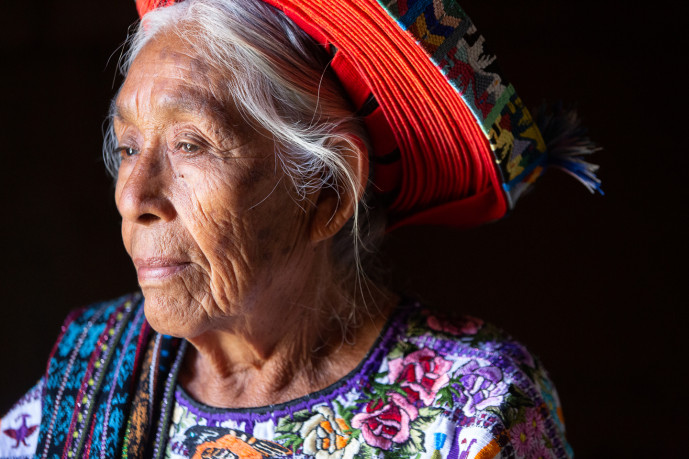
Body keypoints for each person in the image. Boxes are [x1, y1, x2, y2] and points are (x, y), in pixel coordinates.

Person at [0, 0, 599, 457]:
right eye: (128, 147)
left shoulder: (472, 407)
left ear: (327, 196)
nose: (133, 196)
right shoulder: (90, 366)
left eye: (190, 144)